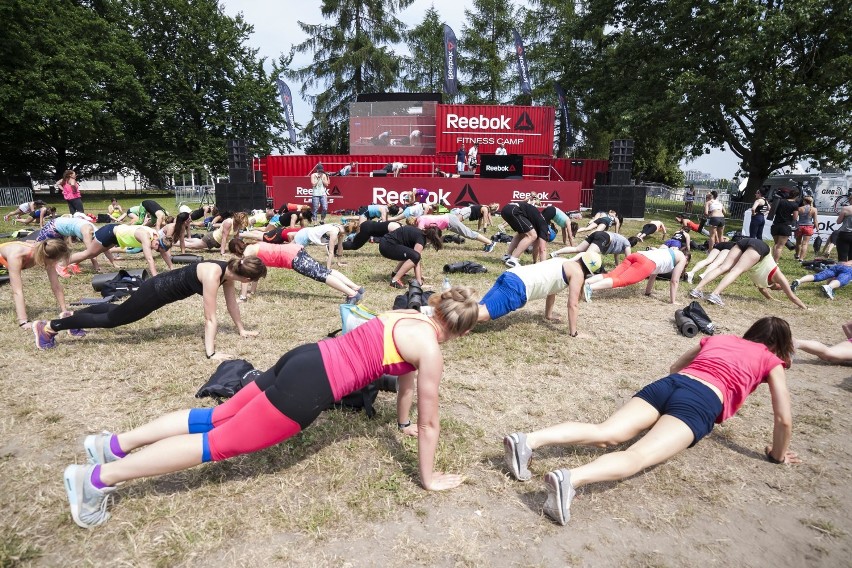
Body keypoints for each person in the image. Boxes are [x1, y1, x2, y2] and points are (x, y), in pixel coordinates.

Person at [61, 286, 480, 528]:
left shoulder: (405, 316)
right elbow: (431, 425)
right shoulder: (432, 350)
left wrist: (400, 421)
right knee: (219, 442)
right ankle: (96, 479)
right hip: (312, 384)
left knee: (216, 417)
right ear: (461, 332)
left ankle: (112, 445)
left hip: (304, 357)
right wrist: (427, 478)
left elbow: (405, 384)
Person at [503, 316, 799, 526]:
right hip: (701, 401)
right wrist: (778, 456)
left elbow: (675, 366)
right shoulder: (770, 360)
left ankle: (529, 440)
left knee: (606, 432)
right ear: (779, 346)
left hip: (669, 384)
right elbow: (783, 418)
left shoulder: (720, 339)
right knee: (638, 455)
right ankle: (572, 479)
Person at [34, 258, 264, 357]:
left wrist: (241, 329)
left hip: (158, 290)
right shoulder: (214, 274)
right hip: (155, 291)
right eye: (251, 281)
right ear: (245, 278)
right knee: (113, 319)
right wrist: (211, 353)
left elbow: (232, 304)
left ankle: (73, 318)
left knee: (116, 312)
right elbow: (210, 318)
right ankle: (50, 327)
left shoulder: (228, 272)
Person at [477, 252, 601, 336]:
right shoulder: (577, 273)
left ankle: (459, 311)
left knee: (479, 308)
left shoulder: (562, 261)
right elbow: (573, 305)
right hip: (519, 286)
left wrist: (548, 315)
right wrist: (574, 333)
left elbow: (552, 291)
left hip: (511, 274)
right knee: (482, 316)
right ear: (589, 272)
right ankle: (457, 321)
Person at [228, 238, 365, 304]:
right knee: (324, 271)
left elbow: (246, 276)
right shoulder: (253, 246)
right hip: (294, 249)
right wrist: (253, 292)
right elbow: (254, 274)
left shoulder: (247, 254)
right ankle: (356, 288)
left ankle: (352, 294)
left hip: (291, 257)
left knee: (321, 275)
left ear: (235, 251)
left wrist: (243, 297)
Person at [688, 237, 806, 309]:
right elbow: (791, 296)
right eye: (782, 288)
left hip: (746, 242)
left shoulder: (762, 284)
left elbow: (763, 290)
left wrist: (772, 299)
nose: (782, 289)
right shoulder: (779, 276)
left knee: (724, 267)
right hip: (760, 247)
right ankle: (715, 294)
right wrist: (805, 307)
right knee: (736, 270)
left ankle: (697, 289)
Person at [0, 239, 71, 330]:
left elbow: (56, 285)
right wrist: (23, 322)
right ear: (49, 258)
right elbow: (17, 291)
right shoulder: (16, 256)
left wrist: (64, 311)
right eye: (57, 260)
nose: (57, 263)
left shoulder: (46, 252)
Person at [584, 246, 688, 304]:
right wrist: (673, 301)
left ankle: (585, 283)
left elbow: (653, 275)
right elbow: (674, 281)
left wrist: (647, 292)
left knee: (612, 275)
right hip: (647, 262)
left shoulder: (670, 251)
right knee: (621, 280)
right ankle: (590, 288)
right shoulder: (683, 259)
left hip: (637, 255)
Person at [68, 224, 173, 277]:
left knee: (93, 253)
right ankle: (61, 263)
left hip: (115, 237)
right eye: (157, 248)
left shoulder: (157, 238)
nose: (156, 250)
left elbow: (164, 254)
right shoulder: (145, 236)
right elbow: (149, 259)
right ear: (157, 242)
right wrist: (155, 276)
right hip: (109, 232)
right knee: (89, 253)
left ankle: (72, 264)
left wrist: (171, 268)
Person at [36, 215, 114, 274]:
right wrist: (97, 268)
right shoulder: (88, 232)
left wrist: (114, 263)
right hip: (53, 227)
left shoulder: (98, 233)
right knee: (39, 247)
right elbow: (91, 252)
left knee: (60, 252)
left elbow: (105, 248)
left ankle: (70, 264)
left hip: (61, 228)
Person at [413, 213, 497, 252]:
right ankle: (488, 243)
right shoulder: (420, 218)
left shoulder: (420, 221)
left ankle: (490, 243)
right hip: (449, 218)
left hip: (450, 221)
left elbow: (419, 233)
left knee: (469, 234)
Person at [500, 202, 549, 268]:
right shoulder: (544, 227)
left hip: (506, 209)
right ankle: (513, 259)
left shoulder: (538, 223)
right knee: (532, 236)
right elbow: (542, 249)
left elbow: (536, 247)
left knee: (520, 234)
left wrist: (534, 262)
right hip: (514, 210)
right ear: (548, 233)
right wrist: (544, 267)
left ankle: (507, 256)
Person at [183, 212, 248, 255]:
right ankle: (176, 243)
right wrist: (222, 253)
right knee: (191, 246)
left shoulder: (238, 225)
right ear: (239, 220)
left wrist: (239, 248)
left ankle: (184, 239)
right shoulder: (229, 222)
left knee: (199, 241)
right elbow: (224, 238)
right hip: (212, 239)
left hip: (215, 240)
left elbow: (236, 238)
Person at [552, 230, 632, 265]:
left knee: (578, 249)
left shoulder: (622, 242)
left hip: (599, 233)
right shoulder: (627, 244)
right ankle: (568, 262)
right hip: (604, 237)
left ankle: (555, 253)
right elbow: (629, 259)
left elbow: (616, 254)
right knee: (588, 254)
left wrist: (617, 265)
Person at [770, 188, 799, 261]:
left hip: (775, 225)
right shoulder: (795, 205)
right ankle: (775, 261)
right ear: (797, 196)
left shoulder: (781, 201)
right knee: (780, 246)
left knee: (776, 244)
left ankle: (772, 260)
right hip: (785, 226)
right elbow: (795, 217)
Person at [794, 196, 817, 261]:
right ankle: (801, 259)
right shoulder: (814, 209)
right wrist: (817, 228)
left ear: (804, 201)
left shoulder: (799, 208)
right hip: (809, 226)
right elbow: (815, 220)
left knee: (798, 242)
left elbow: (795, 218)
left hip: (800, 226)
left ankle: (797, 255)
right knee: (805, 243)